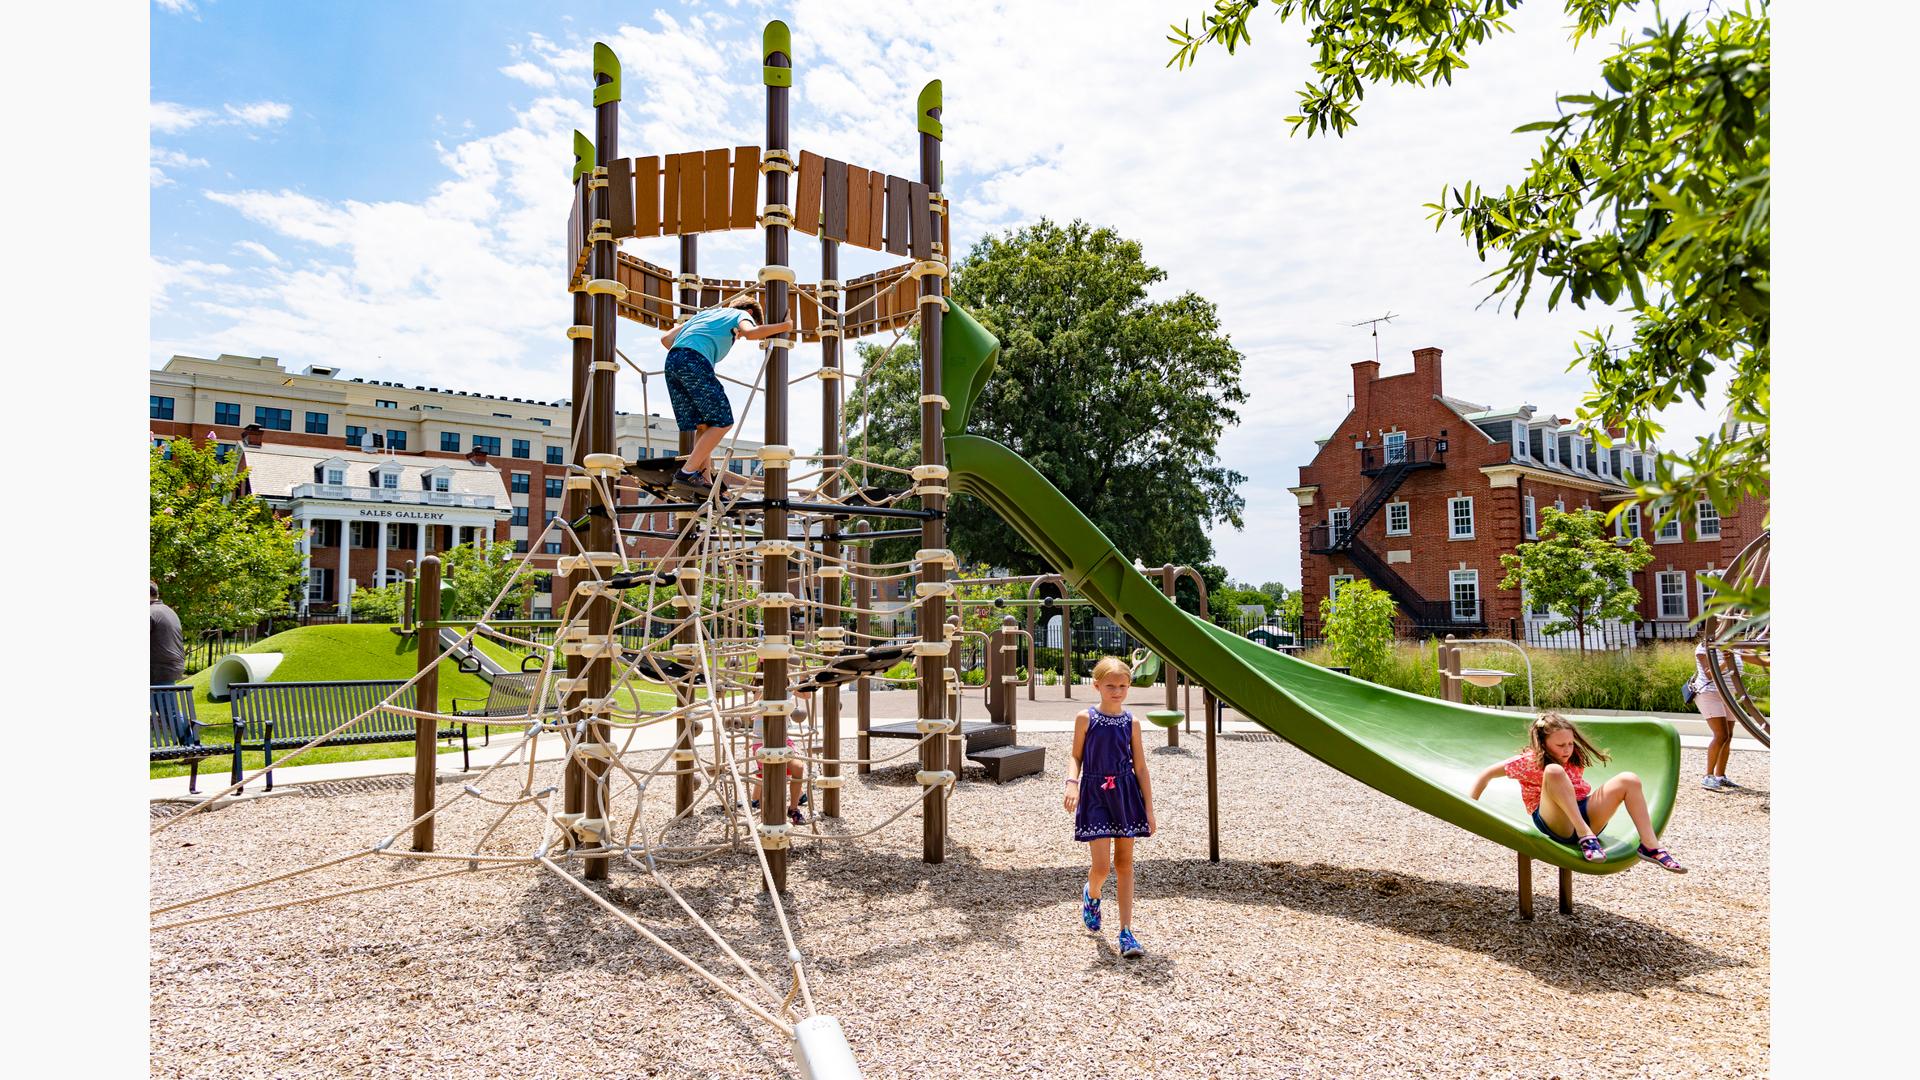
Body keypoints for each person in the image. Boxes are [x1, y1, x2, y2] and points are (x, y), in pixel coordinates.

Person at [1469, 713, 1684, 872]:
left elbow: (1579, 780)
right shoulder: (1527, 762)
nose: (1567, 749)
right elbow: (1486, 774)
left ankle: (1650, 845)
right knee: (1553, 771)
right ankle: (1585, 835)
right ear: (1543, 744)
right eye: (1560, 745)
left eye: (1571, 743)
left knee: (1628, 779)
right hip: (1556, 821)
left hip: (1583, 812)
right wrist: (1471, 808)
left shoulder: (1572, 756)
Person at [1063, 656, 1156, 958]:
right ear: (1097, 685)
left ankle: (1126, 932)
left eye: (1123, 686)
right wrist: (1071, 782)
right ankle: (1092, 895)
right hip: (1094, 794)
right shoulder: (1085, 718)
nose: (1117, 691)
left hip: (1125, 794)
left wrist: (1149, 810)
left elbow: (1141, 768)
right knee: (1102, 866)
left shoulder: (1132, 723)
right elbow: (1075, 755)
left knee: (1125, 864)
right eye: (1111, 685)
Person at [657, 297, 794, 489]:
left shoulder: (704, 315)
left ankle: (704, 481)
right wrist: (785, 325)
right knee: (723, 420)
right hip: (694, 361)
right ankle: (686, 473)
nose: (737, 337)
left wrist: (688, 350)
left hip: (672, 362)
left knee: (704, 425)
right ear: (751, 313)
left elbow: (666, 339)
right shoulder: (740, 314)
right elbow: (751, 332)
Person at [1689, 637, 1763, 791]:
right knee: (1721, 735)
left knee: (1728, 736)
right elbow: (1709, 674)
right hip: (1709, 693)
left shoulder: (1735, 646)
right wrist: (1726, 661)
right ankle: (1707, 776)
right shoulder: (1705, 647)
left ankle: (1720, 776)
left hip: (1728, 695)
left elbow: (1762, 661)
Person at [748, 688, 810, 826]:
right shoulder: (760, 688)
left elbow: (807, 695)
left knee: (798, 767)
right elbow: (755, 707)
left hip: (783, 739)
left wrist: (802, 676)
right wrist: (769, 686)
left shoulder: (788, 688)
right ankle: (765, 819)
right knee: (769, 775)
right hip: (762, 740)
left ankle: (793, 809)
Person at [150, 582, 194, 745]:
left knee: (169, 711)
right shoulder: (167, 610)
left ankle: (192, 744)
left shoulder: (150, 613)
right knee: (168, 710)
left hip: (158, 669)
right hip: (168, 668)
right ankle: (191, 744)